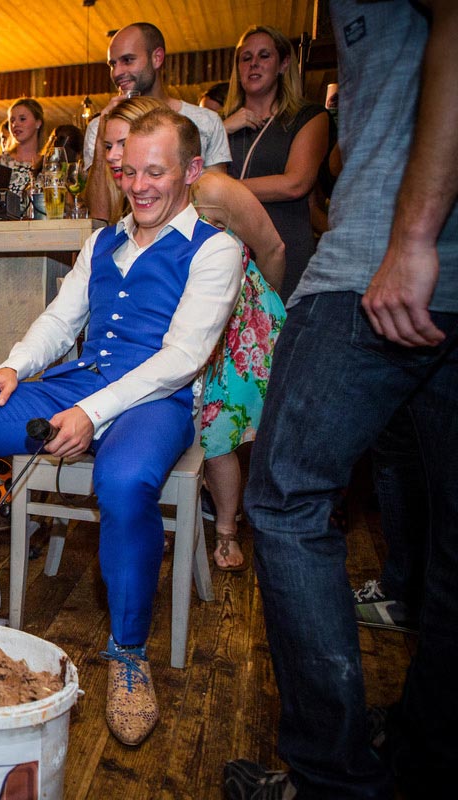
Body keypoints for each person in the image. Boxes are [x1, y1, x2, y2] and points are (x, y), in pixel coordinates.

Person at [0, 107, 242, 746]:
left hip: (156, 400)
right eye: (129, 172)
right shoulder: (102, 241)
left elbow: (180, 360)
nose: (140, 185)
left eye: (156, 172)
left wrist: (92, 415)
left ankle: (127, 654)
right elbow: (62, 320)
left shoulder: (216, 249)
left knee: (122, 483)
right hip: (82, 381)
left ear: (192, 171)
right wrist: (13, 366)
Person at [226, 0, 458, 796]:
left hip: (378, 264)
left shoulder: (293, 125)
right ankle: (425, 753)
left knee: (287, 502)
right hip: (408, 260)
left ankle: (330, 777)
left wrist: (416, 236)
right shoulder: (233, 122)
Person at [98, 96, 287, 572]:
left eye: (127, 144)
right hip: (170, 321)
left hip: (233, 320)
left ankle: (225, 530)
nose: (121, 159)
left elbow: (273, 248)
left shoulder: (217, 189)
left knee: (216, 431)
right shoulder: (135, 191)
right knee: (150, 418)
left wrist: (248, 321)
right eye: (112, 149)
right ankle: (149, 521)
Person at [223, 25, 328, 303]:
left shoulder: (308, 117)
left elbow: (296, 183)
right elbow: (194, 178)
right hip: (228, 253)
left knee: (281, 338)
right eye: (246, 58)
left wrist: (225, 189)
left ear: (283, 64)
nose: (254, 63)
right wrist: (220, 129)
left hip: (286, 244)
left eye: (264, 55)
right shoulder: (222, 124)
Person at [85, 22, 231, 222]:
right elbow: (99, 217)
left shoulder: (206, 121)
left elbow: (218, 205)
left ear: (157, 58)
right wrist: (103, 134)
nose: (117, 72)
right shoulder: (100, 127)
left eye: (128, 60)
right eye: (112, 64)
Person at [0, 98, 45, 213]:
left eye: (22, 119)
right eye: (12, 120)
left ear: (38, 123)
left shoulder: (47, 165)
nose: (15, 124)